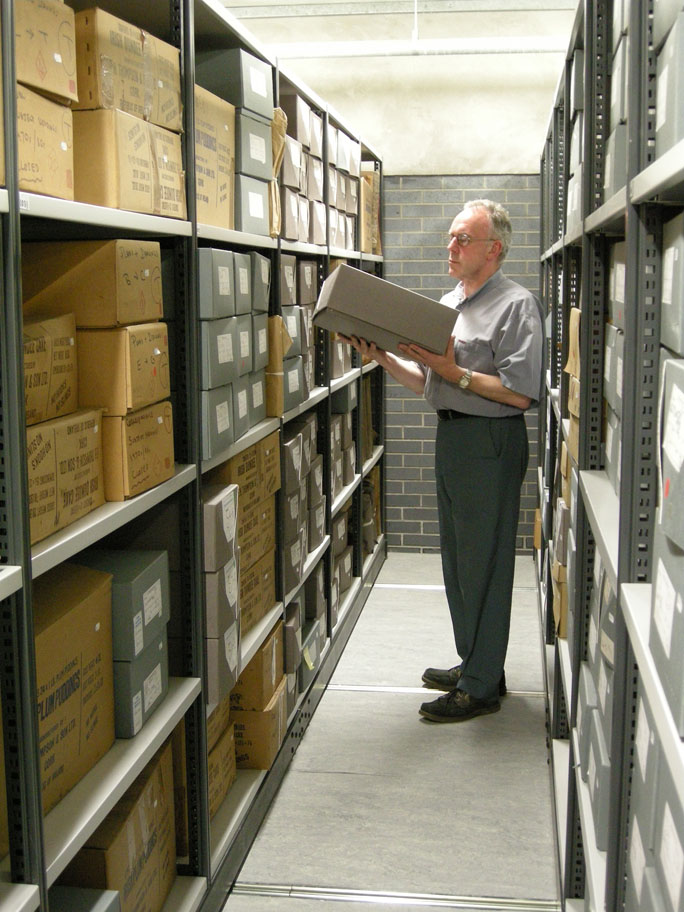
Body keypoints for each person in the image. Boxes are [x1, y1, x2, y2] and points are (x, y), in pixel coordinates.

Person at [343, 199, 544, 723]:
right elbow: (432, 383)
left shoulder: (516, 306)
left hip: (491, 442)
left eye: (462, 240)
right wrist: (384, 358)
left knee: (485, 563)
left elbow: (519, 395)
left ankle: (480, 688)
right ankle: (478, 664)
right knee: (457, 562)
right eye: (451, 238)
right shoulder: (450, 302)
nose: (450, 247)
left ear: (493, 249)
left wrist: (449, 370)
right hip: (453, 437)